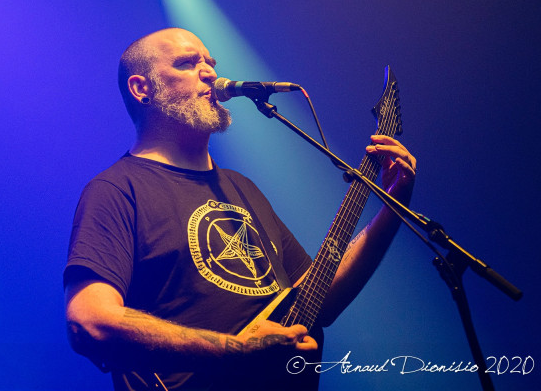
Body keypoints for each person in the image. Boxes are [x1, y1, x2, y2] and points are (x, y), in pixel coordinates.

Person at [64, 27, 416, 391]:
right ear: (142, 89)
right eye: (187, 63)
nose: (210, 72)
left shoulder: (242, 187)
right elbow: (88, 321)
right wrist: (235, 351)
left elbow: (317, 300)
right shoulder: (117, 190)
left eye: (210, 62)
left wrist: (394, 204)